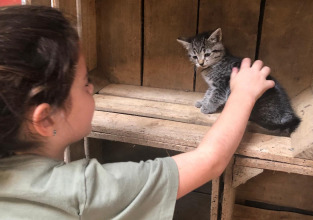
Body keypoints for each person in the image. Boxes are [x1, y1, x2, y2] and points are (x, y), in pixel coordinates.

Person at [0, 5, 275, 220]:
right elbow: (210, 161)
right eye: (86, 83)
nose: (93, 86)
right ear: (46, 118)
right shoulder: (82, 192)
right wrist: (242, 93)